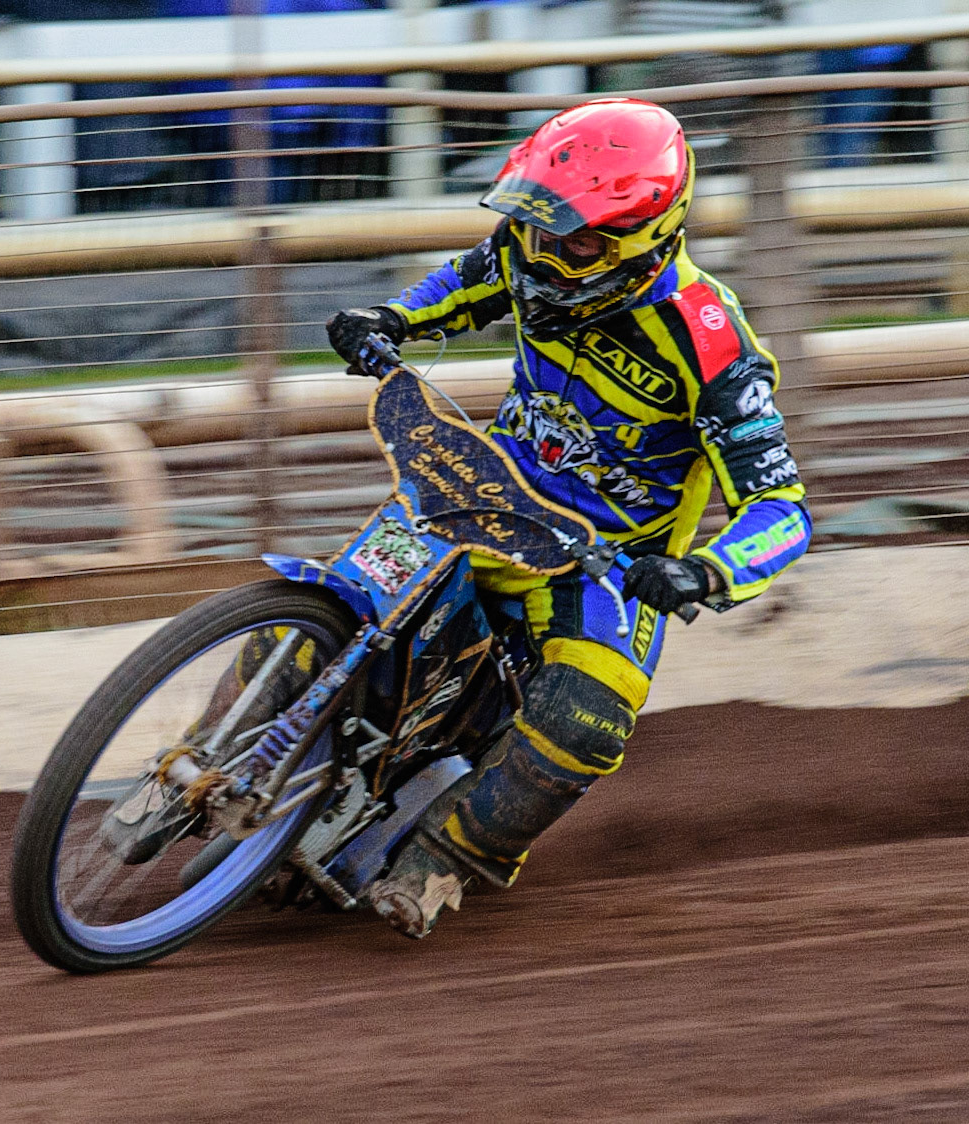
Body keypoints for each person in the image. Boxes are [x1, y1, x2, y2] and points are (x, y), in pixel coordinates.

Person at [325, 98, 811, 939]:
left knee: (588, 718)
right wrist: (389, 318)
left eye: (575, 238)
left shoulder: (713, 345)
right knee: (337, 600)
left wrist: (704, 571)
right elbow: (464, 282)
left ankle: (445, 857)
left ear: (641, 238)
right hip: (483, 490)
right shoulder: (524, 248)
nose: (542, 251)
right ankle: (205, 756)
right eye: (535, 222)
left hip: (602, 562)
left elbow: (782, 511)